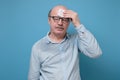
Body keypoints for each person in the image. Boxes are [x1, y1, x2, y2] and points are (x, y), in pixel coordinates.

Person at [28, 5, 102, 80]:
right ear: (49, 20)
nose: (60, 23)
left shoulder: (76, 40)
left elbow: (95, 53)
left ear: (69, 22)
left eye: (65, 19)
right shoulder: (38, 47)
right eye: (56, 18)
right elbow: (33, 78)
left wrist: (78, 24)